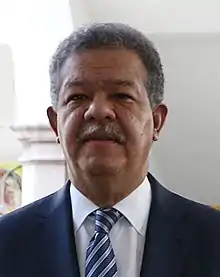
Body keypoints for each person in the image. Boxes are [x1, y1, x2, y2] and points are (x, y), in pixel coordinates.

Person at [0, 23, 220, 277]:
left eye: (122, 95)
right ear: (55, 124)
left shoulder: (212, 240)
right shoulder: (7, 243)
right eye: (77, 97)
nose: (98, 111)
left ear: (156, 121)